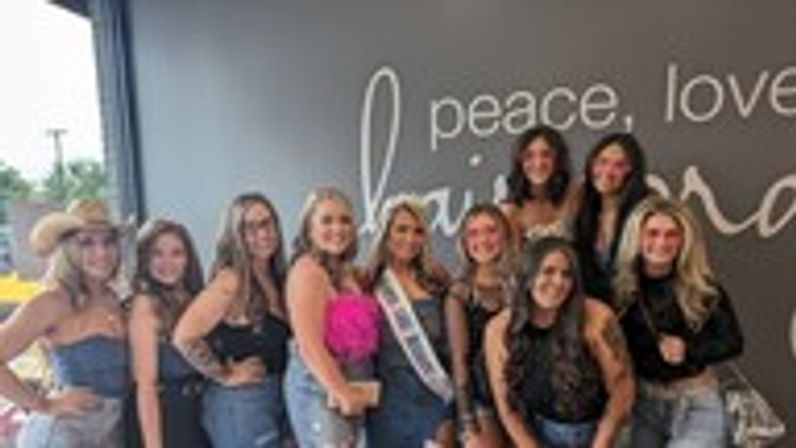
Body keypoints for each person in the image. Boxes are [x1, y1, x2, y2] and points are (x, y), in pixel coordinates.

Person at [613, 196, 744, 447]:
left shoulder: (704, 288)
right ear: (637, 237)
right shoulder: (620, 291)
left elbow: (733, 342)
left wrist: (689, 350)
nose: (661, 242)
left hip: (696, 402)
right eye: (652, 233)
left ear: (684, 240)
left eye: (671, 234)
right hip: (641, 406)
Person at [484, 237, 635, 448]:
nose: (558, 282)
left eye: (567, 274)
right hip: (537, 431)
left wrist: (600, 444)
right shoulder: (498, 329)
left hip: (599, 430)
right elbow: (507, 410)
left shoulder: (598, 317)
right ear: (528, 275)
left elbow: (622, 388)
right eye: (548, 271)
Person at [1, 199, 128, 447]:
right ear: (68, 248)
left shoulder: (114, 299)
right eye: (87, 243)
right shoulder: (52, 301)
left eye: (108, 241)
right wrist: (44, 404)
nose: (101, 252)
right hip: (62, 435)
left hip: (109, 433)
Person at [173, 193, 291, 448]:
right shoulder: (232, 280)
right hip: (241, 404)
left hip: (274, 397)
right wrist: (224, 375)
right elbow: (184, 335)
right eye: (250, 227)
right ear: (236, 235)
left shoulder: (275, 277)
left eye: (267, 223)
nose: (262, 234)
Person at [284, 187, 372, 447]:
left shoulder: (347, 272)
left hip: (348, 388)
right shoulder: (307, 272)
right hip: (320, 390)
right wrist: (342, 392)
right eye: (327, 220)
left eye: (345, 220)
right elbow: (309, 346)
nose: (338, 228)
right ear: (309, 228)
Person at [365, 195, 455, 447]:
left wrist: (449, 416)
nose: (410, 238)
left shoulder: (437, 280)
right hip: (385, 411)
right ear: (386, 233)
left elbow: (453, 353)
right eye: (401, 229)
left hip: (433, 405)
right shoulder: (367, 282)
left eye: (418, 231)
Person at [127, 219, 210, 447]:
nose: (167, 262)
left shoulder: (194, 298)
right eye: (157, 254)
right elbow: (145, 386)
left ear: (188, 258)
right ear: (144, 259)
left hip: (199, 412)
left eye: (177, 253)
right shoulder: (145, 304)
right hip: (165, 418)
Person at [445, 203, 514, 447]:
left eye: (490, 230)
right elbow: (459, 359)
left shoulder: (522, 283)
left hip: (522, 398)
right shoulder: (460, 293)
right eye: (473, 233)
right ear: (464, 242)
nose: (483, 239)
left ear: (505, 234)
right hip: (482, 401)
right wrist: (468, 422)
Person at [574, 132, 651, 303]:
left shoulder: (645, 211)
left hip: (634, 309)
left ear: (631, 171)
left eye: (619, 165)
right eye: (602, 161)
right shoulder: (581, 206)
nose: (607, 171)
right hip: (589, 308)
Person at [501, 125, 579, 246]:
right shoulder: (512, 211)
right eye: (529, 156)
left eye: (546, 155)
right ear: (519, 161)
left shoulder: (575, 192)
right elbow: (514, 261)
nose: (538, 163)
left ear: (558, 160)